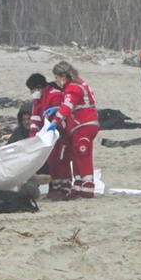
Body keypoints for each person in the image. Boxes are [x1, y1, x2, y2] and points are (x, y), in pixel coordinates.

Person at [48, 61, 100, 199]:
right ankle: (78, 185)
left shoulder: (73, 88)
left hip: (84, 124)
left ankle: (88, 186)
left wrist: (55, 120)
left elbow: (68, 107)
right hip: (81, 125)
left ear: (63, 76)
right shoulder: (79, 84)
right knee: (77, 154)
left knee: (83, 154)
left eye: (57, 78)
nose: (57, 81)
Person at [25, 73, 63, 177]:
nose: (31, 93)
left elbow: (61, 114)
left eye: (32, 90)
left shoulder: (54, 95)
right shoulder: (38, 99)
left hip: (59, 131)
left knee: (58, 158)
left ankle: (60, 184)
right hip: (48, 132)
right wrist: (33, 137)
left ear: (39, 87)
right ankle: (55, 183)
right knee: (51, 159)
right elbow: (35, 118)